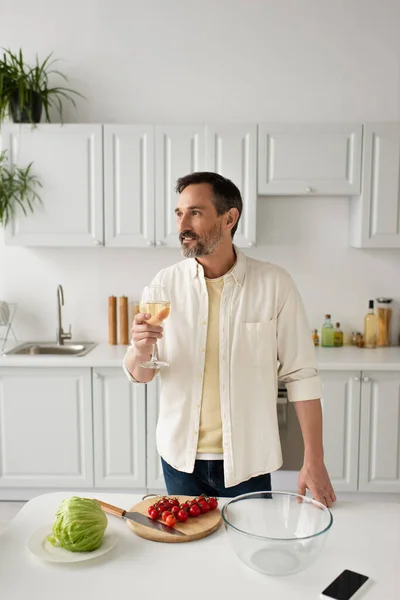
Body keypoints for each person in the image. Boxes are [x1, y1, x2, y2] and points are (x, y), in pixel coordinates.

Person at [123, 172, 336, 507]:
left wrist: (315, 459)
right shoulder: (164, 285)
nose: (182, 226)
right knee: (190, 554)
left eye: (195, 212)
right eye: (179, 214)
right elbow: (141, 374)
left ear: (229, 218)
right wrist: (141, 348)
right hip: (180, 459)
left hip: (247, 462)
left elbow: (302, 376)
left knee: (248, 554)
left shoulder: (274, 284)